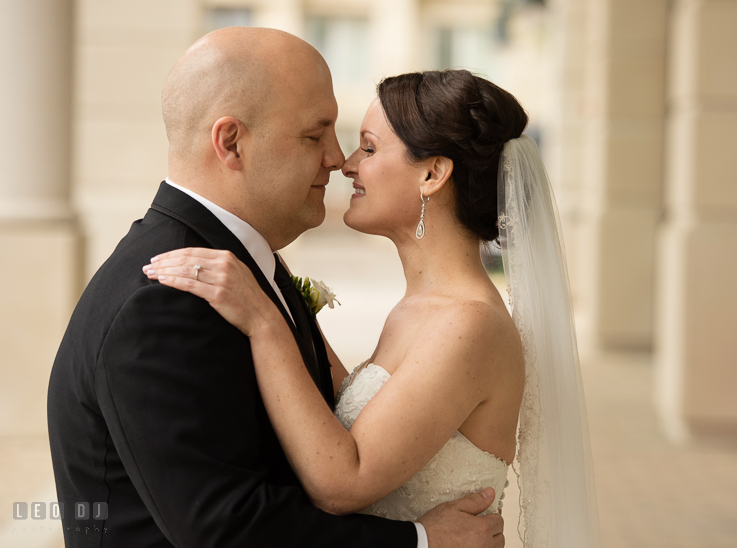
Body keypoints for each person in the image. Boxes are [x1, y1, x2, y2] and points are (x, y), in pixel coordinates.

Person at [47, 27, 504, 548]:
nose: (338, 159)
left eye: (360, 144)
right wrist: (419, 541)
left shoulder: (246, 272)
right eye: (315, 135)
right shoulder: (166, 298)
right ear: (231, 143)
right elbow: (225, 526)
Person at [144, 70, 600, 546]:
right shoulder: (422, 308)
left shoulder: (470, 323)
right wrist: (283, 301)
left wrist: (264, 322)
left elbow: (343, 482)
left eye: (368, 147)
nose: (346, 165)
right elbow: (365, 416)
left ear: (432, 174)